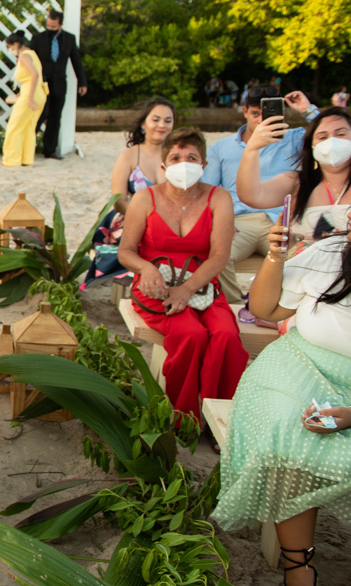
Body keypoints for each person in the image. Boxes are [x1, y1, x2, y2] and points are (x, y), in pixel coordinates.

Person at [211, 214, 351, 586]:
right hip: (300, 366)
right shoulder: (329, 254)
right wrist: (276, 257)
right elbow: (265, 310)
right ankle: (299, 573)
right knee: (292, 440)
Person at [118, 128, 247, 421]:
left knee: (226, 336)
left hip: (202, 285)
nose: (183, 163)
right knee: (191, 335)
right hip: (157, 286)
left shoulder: (218, 198)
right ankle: (184, 417)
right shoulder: (145, 198)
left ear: (203, 165)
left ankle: (219, 418)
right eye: (176, 158)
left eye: (192, 157)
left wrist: (187, 289)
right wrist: (146, 268)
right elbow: (125, 251)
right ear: (164, 166)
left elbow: (220, 256)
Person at [202, 85, 322, 302]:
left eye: (267, 115)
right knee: (213, 251)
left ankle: (280, 307)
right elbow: (207, 191)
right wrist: (220, 223)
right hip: (239, 222)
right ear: (245, 111)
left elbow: (336, 137)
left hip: (283, 220)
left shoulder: (295, 139)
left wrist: (307, 110)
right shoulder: (222, 147)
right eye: (256, 114)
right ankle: (236, 306)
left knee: (308, 256)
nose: (261, 121)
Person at [83, 98, 174, 287]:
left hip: (170, 217)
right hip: (131, 216)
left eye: (168, 120)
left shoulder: (177, 156)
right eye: (155, 119)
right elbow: (118, 201)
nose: (162, 125)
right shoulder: (129, 156)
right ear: (143, 124)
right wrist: (147, 216)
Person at [235, 107, 351, 247]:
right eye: (322, 137)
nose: (332, 141)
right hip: (303, 261)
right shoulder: (297, 182)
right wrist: (252, 149)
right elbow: (250, 196)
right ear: (311, 146)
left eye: (341, 134)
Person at [29, 10, 87, 160]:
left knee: (55, 117)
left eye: (54, 26)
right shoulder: (37, 38)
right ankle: (28, 146)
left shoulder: (69, 39)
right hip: (41, 84)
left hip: (59, 83)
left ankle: (50, 150)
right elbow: (28, 60)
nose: (50, 28)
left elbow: (76, 61)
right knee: (41, 114)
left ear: (61, 24)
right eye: (48, 25)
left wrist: (82, 82)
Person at [0, 31, 48, 168]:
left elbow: (34, 75)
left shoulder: (25, 56)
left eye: (9, 47)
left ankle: (11, 160)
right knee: (28, 127)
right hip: (39, 92)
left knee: (14, 126)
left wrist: (30, 97)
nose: (9, 50)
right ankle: (27, 159)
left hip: (31, 93)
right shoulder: (31, 53)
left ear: (15, 44)